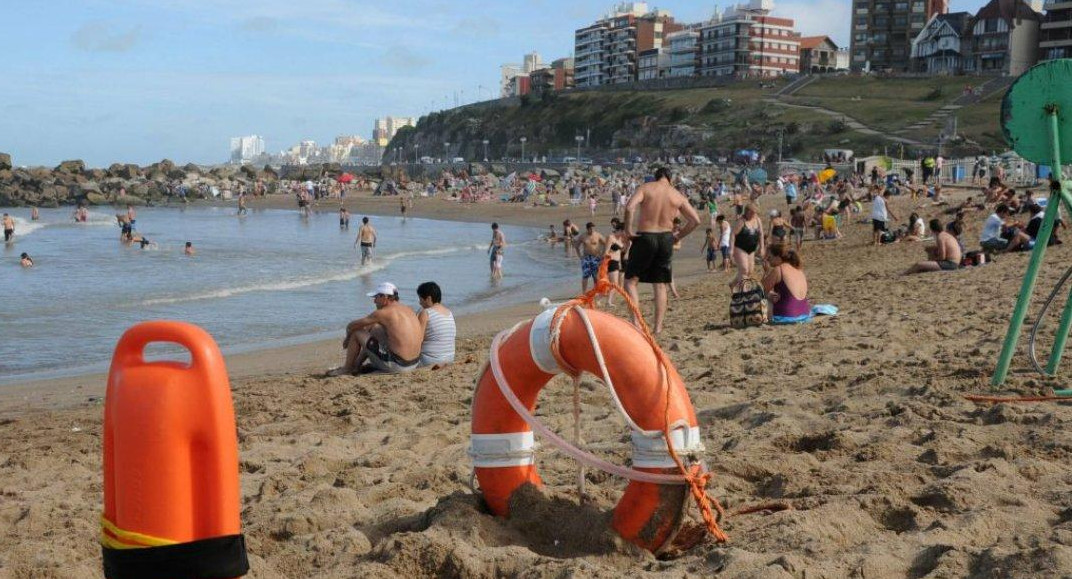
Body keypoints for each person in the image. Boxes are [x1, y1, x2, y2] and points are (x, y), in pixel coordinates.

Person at [623, 167, 701, 335]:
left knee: (630, 281)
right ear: (670, 179)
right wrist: (678, 236)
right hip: (666, 238)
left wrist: (628, 231)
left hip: (646, 236)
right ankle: (657, 328)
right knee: (660, 285)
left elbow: (629, 208)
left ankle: (636, 323)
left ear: (656, 177)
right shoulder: (676, 195)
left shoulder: (646, 187)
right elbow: (695, 220)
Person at [329, 282, 423, 376]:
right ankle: (356, 365)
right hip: (414, 363)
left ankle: (347, 368)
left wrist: (347, 339)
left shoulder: (383, 313)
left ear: (385, 297)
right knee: (375, 329)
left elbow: (352, 326)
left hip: (399, 366)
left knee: (357, 332)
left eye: (376, 297)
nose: (374, 301)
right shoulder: (408, 309)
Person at [762, 245, 810, 320]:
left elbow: (761, 290)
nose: (767, 261)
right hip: (805, 313)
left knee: (760, 300)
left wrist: (766, 272)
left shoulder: (778, 270)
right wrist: (769, 294)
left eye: (769, 258)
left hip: (786, 315)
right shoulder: (798, 269)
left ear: (778, 257)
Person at [416, 282, 456, 368]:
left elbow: (418, 340)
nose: (419, 302)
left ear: (428, 299)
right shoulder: (449, 312)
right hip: (450, 358)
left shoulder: (426, 313)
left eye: (420, 299)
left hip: (430, 360)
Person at [729, 204, 764, 287]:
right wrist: (731, 249)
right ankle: (743, 292)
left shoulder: (757, 220)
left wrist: (762, 247)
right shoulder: (741, 221)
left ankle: (733, 284)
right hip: (740, 247)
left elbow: (761, 234)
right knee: (744, 269)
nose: (754, 215)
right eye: (753, 213)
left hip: (751, 248)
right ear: (748, 212)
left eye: (755, 213)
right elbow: (733, 234)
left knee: (750, 271)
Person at [576, 222, 606, 293]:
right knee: (585, 275)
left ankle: (597, 291)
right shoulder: (583, 236)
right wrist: (580, 256)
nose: (592, 230)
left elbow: (606, 243)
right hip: (586, 258)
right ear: (587, 229)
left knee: (595, 276)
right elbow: (576, 246)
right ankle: (584, 292)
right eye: (590, 229)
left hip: (596, 257)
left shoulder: (598, 235)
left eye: (593, 228)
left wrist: (602, 254)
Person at [605, 218, 627, 305]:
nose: (624, 233)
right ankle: (608, 301)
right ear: (621, 230)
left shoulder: (620, 239)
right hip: (611, 262)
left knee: (613, 284)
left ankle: (606, 300)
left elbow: (621, 251)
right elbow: (606, 252)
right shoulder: (611, 237)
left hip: (617, 262)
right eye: (624, 231)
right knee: (614, 284)